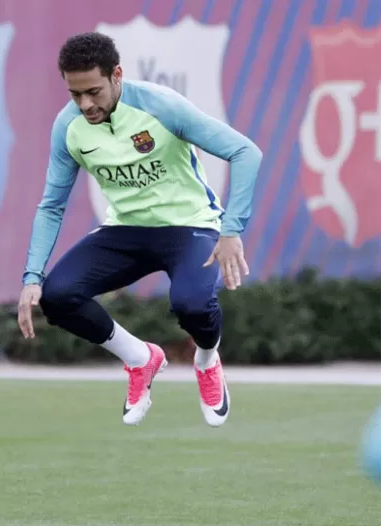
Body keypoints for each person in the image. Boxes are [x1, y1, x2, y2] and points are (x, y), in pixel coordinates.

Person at [18, 32, 262, 428]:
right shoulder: (68, 126)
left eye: (94, 92)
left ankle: (206, 360)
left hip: (189, 226)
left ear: (117, 75)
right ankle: (140, 359)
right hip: (126, 229)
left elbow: (246, 152)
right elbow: (52, 204)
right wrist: (31, 276)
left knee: (192, 304)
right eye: (74, 94)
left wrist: (231, 230)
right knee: (57, 295)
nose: (85, 105)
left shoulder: (160, 106)